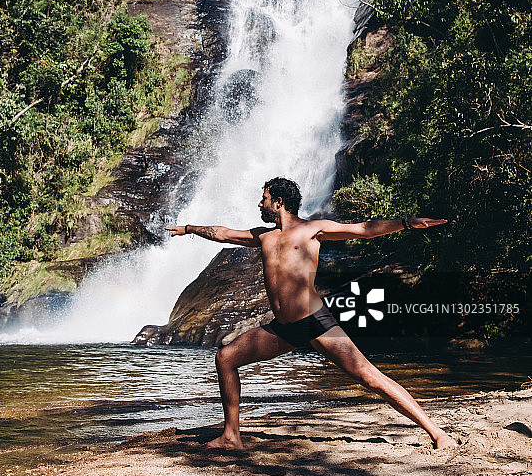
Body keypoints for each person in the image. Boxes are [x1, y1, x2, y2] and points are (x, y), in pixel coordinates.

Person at [166, 177, 457, 451]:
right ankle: (231, 436)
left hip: (315, 322)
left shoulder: (313, 229)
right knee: (225, 358)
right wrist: (190, 228)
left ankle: (436, 432)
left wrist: (406, 223)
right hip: (283, 329)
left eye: (263, 198)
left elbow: (363, 229)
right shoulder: (264, 236)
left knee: (369, 377)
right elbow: (223, 234)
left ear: (278, 201)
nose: (259, 204)